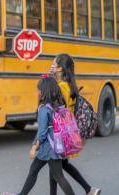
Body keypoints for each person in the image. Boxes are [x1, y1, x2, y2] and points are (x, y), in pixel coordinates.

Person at [5, 76, 75, 195]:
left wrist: (34, 147)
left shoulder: (44, 108)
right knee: (43, 173)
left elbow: (42, 132)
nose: (38, 92)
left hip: (49, 148)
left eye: (39, 89)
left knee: (57, 176)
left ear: (44, 91)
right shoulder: (58, 105)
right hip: (56, 145)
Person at [50, 54, 101, 195]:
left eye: (54, 64)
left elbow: (60, 111)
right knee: (58, 167)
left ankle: (89, 189)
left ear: (60, 68)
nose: (52, 66)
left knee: (55, 169)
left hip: (60, 133)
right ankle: (89, 189)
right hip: (66, 131)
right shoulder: (69, 85)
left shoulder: (61, 87)